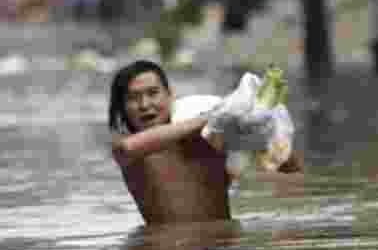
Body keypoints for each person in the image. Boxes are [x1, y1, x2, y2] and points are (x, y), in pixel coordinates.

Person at [109, 60, 303, 226]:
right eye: (134, 98)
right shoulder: (126, 148)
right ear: (123, 108)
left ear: (170, 95)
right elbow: (129, 148)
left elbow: (291, 169)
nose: (144, 105)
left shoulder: (208, 137)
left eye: (153, 93)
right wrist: (215, 116)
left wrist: (263, 127)